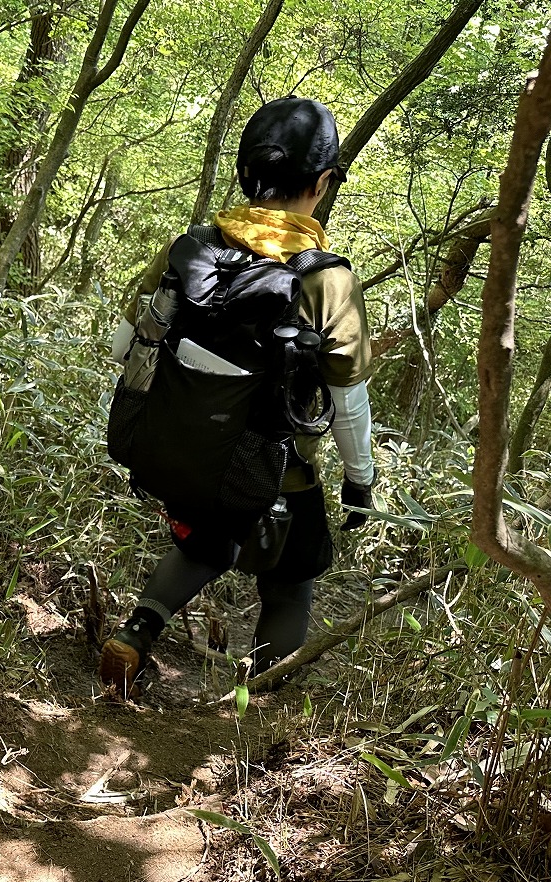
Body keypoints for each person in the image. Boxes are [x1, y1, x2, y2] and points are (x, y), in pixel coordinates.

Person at [100, 96, 377, 694]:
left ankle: (135, 631)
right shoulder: (326, 278)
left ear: (244, 174)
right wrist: (360, 481)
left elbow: (126, 344)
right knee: (292, 577)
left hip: (186, 448)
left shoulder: (193, 246)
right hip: (273, 471)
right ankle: (251, 705)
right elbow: (348, 397)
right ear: (324, 183)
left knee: (206, 542)